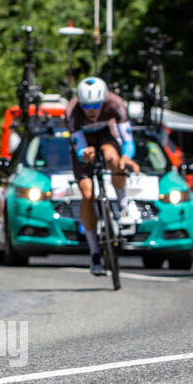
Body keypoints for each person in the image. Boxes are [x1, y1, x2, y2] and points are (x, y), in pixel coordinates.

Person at [66, 76, 140, 276]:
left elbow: (128, 140)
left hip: (106, 136)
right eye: (86, 106)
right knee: (87, 193)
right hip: (84, 143)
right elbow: (78, 145)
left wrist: (126, 157)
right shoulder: (72, 111)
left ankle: (123, 206)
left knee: (113, 158)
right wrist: (84, 153)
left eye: (96, 105)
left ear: (104, 100)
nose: (91, 111)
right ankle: (94, 252)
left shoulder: (115, 104)